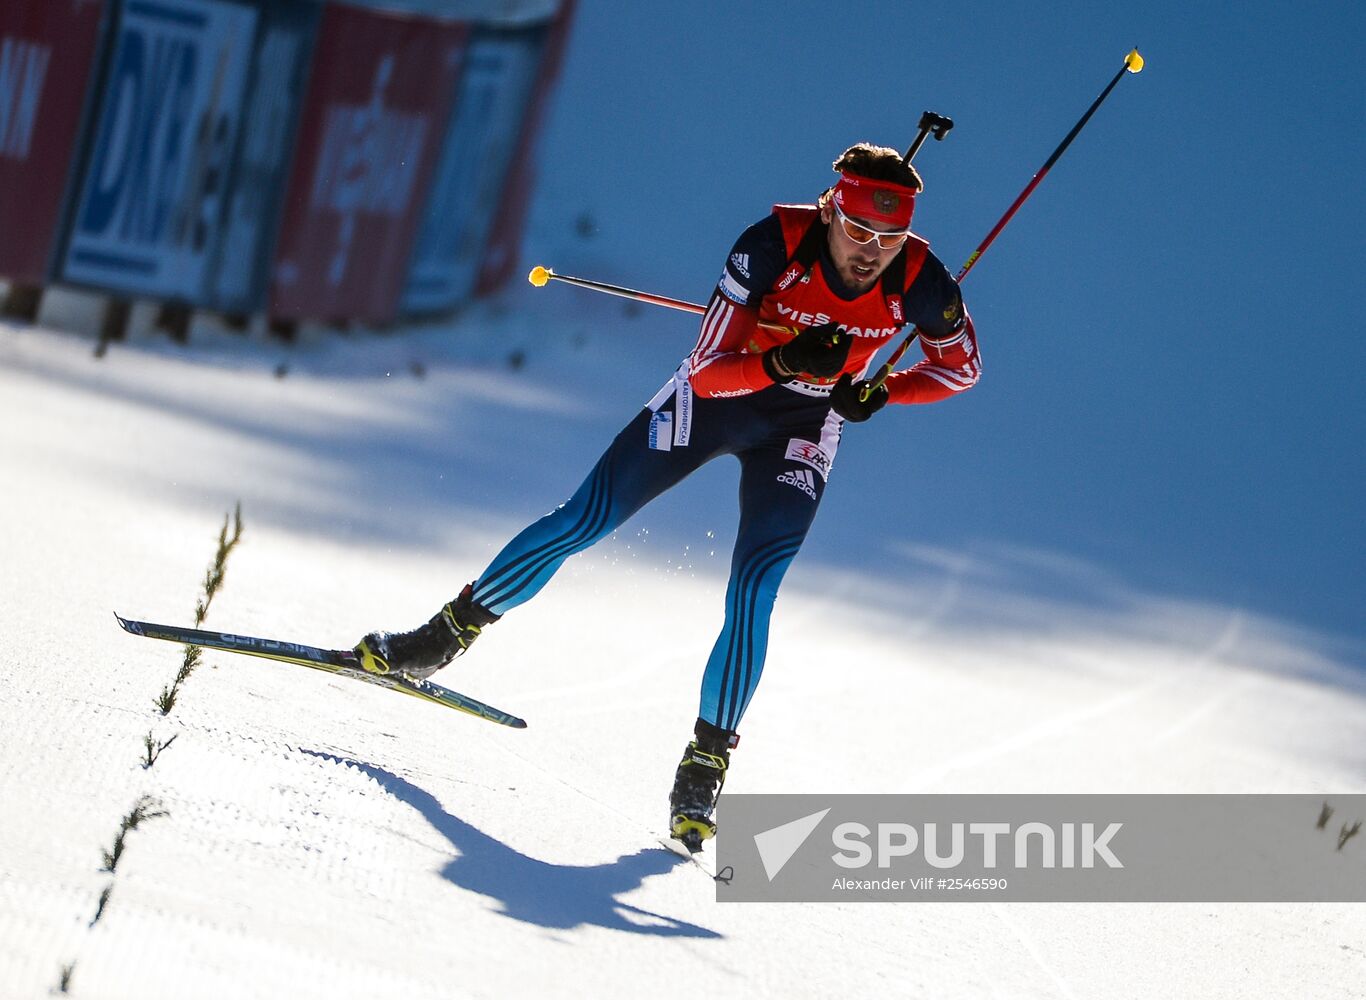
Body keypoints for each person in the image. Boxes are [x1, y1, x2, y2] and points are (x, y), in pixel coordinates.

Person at [355, 142, 981, 850]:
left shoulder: (924, 284)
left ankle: (706, 763)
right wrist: (782, 359)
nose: (872, 253)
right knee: (583, 520)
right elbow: (706, 372)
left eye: (890, 238)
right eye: (860, 232)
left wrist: (878, 392)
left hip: (804, 427)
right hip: (720, 400)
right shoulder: (770, 245)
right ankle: (441, 637)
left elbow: (961, 373)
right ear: (833, 208)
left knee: (756, 585)